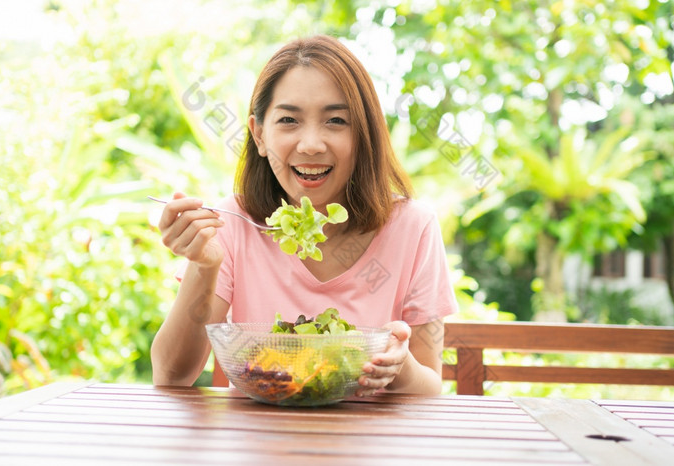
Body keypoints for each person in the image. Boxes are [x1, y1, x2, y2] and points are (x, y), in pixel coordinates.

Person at [151, 35, 457, 396]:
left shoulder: (413, 226)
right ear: (259, 135)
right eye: (288, 120)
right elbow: (171, 376)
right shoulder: (232, 222)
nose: (311, 144)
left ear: (364, 136)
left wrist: (401, 369)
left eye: (336, 121)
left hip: (368, 448)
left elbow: (429, 389)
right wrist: (204, 267)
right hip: (258, 446)